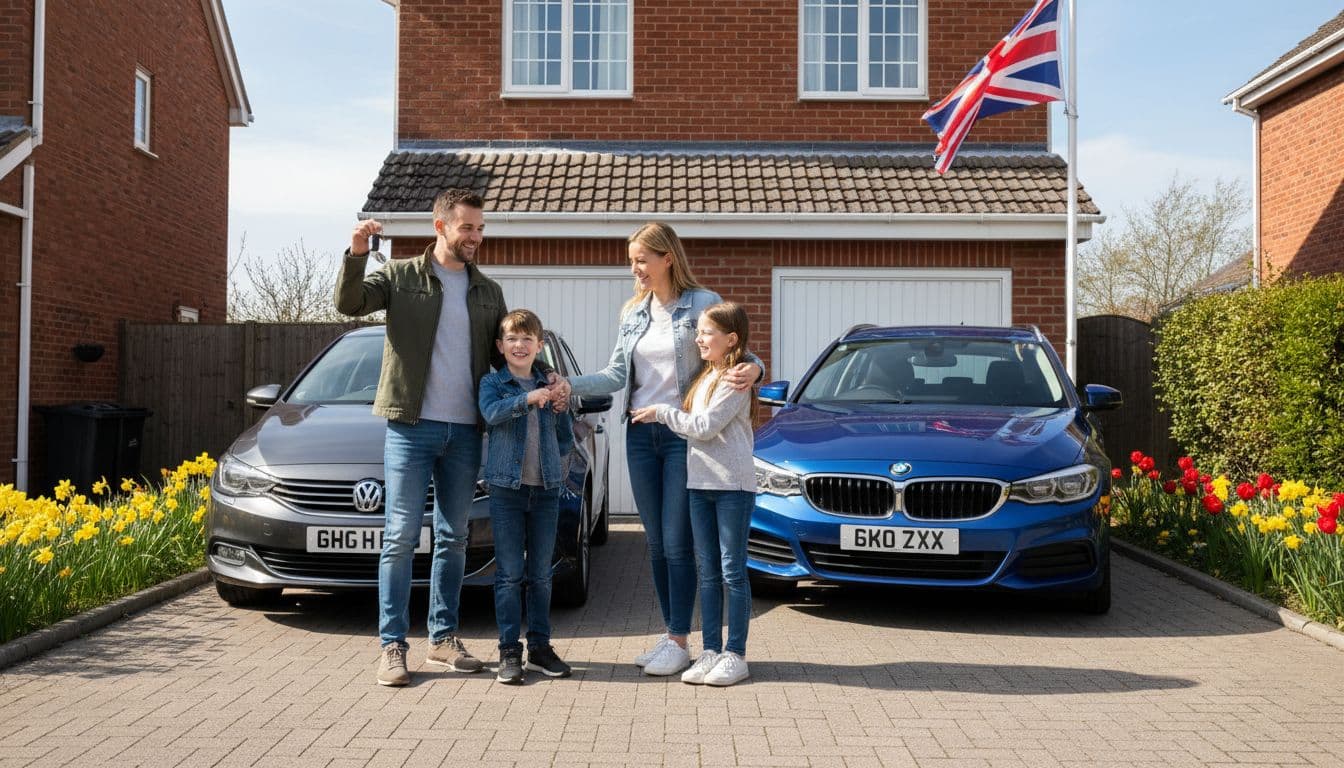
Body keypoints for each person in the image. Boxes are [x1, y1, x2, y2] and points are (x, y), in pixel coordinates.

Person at [335, 188, 569, 687]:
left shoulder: (486, 291)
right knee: (399, 536)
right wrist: (357, 252)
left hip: (465, 431)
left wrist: (548, 376)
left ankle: (442, 639)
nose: (476, 237)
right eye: (468, 228)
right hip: (410, 427)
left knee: (453, 537)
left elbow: (506, 353)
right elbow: (349, 303)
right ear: (440, 226)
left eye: (481, 229)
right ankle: (393, 647)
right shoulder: (401, 276)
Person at [561, 222, 761, 677]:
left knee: (677, 542)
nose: (634, 268)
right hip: (639, 434)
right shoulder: (633, 312)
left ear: (667, 257)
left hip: (682, 436)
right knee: (655, 543)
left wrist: (757, 371)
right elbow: (615, 375)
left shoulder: (702, 304)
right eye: (632, 260)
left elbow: (739, 351)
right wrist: (566, 383)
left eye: (641, 259)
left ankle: (688, 639)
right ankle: (674, 636)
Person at [631, 302, 756, 686]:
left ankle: (736, 653)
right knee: (708, 572)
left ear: (730, 339)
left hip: (731, 487)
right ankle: (711, 650)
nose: (698, 338)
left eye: (706, 333)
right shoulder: (705, 377)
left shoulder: (734, 379)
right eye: (698, 331)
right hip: (700, 486)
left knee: (732, 570)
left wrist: (662, 413)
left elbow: (704, 426)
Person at [478, 309, 575, 685]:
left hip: (546, 490)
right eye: (512, 340)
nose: (520, 345)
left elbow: (564, 437)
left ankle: (540, 647)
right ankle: (508, 651)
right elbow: (490, 415)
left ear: (540, 345)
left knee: (541, 575)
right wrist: (527, 400)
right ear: (501, 346)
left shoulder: (551, 384)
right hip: (507, 489)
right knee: (508, 575)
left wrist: (560, 406)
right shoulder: (494, 384)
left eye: (527, 339)